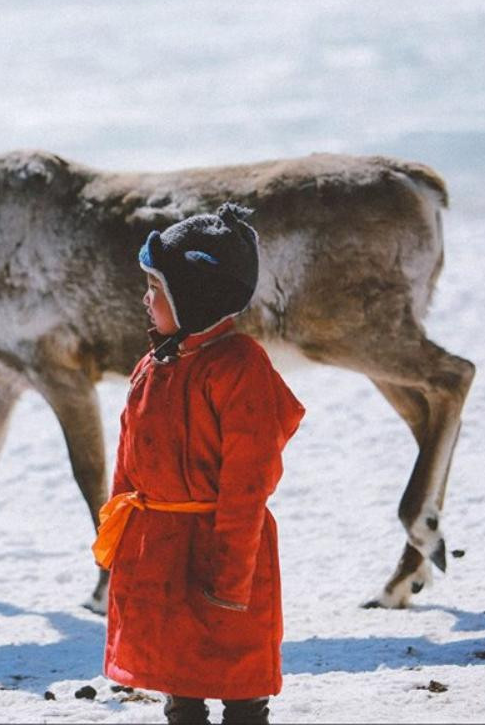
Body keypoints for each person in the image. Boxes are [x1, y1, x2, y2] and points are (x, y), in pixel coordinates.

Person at [93, 202, 306, 725]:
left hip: (221, 550)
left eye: (157, 290)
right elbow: (128, 461)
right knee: (178, 685)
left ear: (195, 297)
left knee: (239, 684)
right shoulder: (154, 364)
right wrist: (116, 534)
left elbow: (248, 483)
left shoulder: (239, 368)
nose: (145, 300)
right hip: (161, 552)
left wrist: (233, 574)